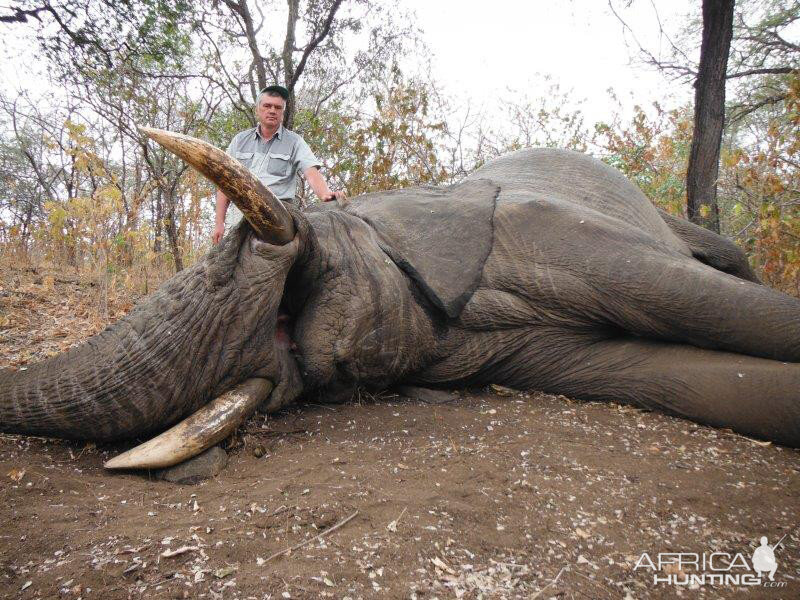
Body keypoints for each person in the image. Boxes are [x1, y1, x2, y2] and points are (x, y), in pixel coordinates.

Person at [212, 84, 347, 243]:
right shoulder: (239, 141)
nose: (272, 110)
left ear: (282, 113)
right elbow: (224, 183)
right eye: (267, 106)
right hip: (241, 214)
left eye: (277, 107)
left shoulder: (295, 142)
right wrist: (219, 223)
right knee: (224, 260)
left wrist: (325, 194)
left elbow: (311, 172)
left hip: (278, 215)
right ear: (258, 109)